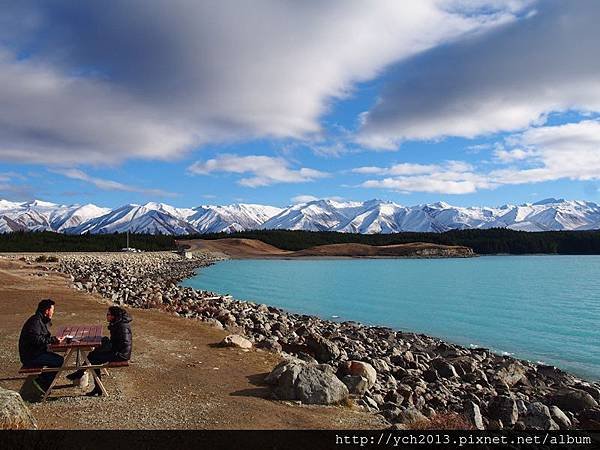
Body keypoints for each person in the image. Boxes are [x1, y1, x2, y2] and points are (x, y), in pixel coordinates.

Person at [67, 306, 132, 396]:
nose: (106, 316)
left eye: (108, 314)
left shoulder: (121, 326)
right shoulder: (118, 323)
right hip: (117, 351)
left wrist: (109, 346)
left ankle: (88, 380)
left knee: (93, 359)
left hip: (121, 354)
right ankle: (88, 380)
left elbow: (123, 344)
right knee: (92, 355)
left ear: (114, 316)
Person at [18, 299, 65, 394]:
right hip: (31, 356)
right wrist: (53, 340)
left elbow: (41, 338)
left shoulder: (40, 320)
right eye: (52, 310)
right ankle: (41, 384)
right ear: (47, 311)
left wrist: (53, 340)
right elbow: (37, 340)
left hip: (35, 353)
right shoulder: (35, 322)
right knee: (59, 361)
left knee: (57, 359)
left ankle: (43, 383)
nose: (53, 312)